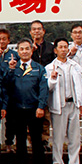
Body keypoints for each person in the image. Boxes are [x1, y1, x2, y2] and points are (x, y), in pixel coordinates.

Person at [5, 38, 49, 164]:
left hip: (34, 108)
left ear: (31, 50)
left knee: (37, 138)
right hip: (17, 108)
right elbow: (6, 85)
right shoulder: (13, 68)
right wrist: (11, 70)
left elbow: (43, 89)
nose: (24, 52)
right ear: (18, 51)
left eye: (27, 49)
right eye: (21, 49)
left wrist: (41, 106)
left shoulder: (39, 68)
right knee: (20, 137)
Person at [46, 38, 82, 164]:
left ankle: (74, 163)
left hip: (73, 104)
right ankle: (58, 163)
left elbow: (80, 86)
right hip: (59, 105)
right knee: (58, 136)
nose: (63, 49)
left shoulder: (74, 66)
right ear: (55, 50)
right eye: (61, 47)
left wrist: (81, 103)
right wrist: (52, 78)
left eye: (65, 47)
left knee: (75, 136)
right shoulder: (50, 67)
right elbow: (48, 88)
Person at [0, 28, 18, 153]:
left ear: (8, 40)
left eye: (4, 39)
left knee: (11, 119)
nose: (1, 41)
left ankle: (9, 143)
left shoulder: (14, 54)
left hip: (10, 90)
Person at [29, 20, 54, 151]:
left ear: (43, 31)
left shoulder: (50, 47)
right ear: (30, 32)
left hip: (46, 85)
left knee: (45, 114)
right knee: (31, 114)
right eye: (34, 29)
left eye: (39, 29)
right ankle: (31, 141)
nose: (36, 31)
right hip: (30, 86)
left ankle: (44, 141)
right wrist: (31, 50)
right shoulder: (27, 47)